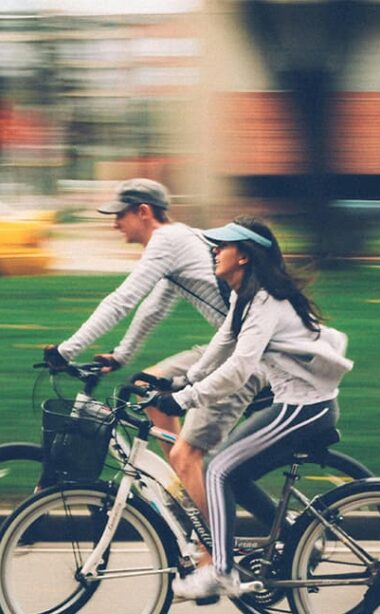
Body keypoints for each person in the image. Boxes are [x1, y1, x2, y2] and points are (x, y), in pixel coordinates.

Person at [153, 216, 353, 599]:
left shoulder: (266, 301)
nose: (214, 251)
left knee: (218, 471)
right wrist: (183, 380)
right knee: (235, 475)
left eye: (222, 246)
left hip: (304, 409)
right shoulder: (247, 297)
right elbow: (222, 345)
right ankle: (295, 538)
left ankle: (222, 570)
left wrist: (183, 399)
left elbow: (239, 368)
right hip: (295, 406)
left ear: (243, 256)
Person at [43, 178, 266, 516]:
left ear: (143, 212)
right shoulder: (178, 241)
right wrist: (121, 356)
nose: (115, 223)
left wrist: (67, 351)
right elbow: (153, 308)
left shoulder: (166, 240)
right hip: (229, 345)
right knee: (146, 385)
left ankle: (213, 549)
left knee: (188, 455)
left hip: (247, 356)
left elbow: (123, 300)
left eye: (120, 215)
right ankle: (186, 491)